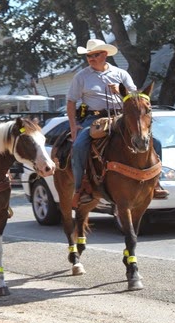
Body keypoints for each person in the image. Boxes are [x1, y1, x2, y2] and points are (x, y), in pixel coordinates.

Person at [67, 38, 168, 205]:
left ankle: (155, 182)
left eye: (95, 55)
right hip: (94, 118)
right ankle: (82, 187)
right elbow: (71, 102)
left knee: (155, 143)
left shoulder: (121, 74)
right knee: (79, 146)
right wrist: (73, 126)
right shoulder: (81, 76)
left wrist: (122, 92)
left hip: (121, 117)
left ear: (104, 54)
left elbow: (136, 98)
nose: (91, 58)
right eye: (88, 56)